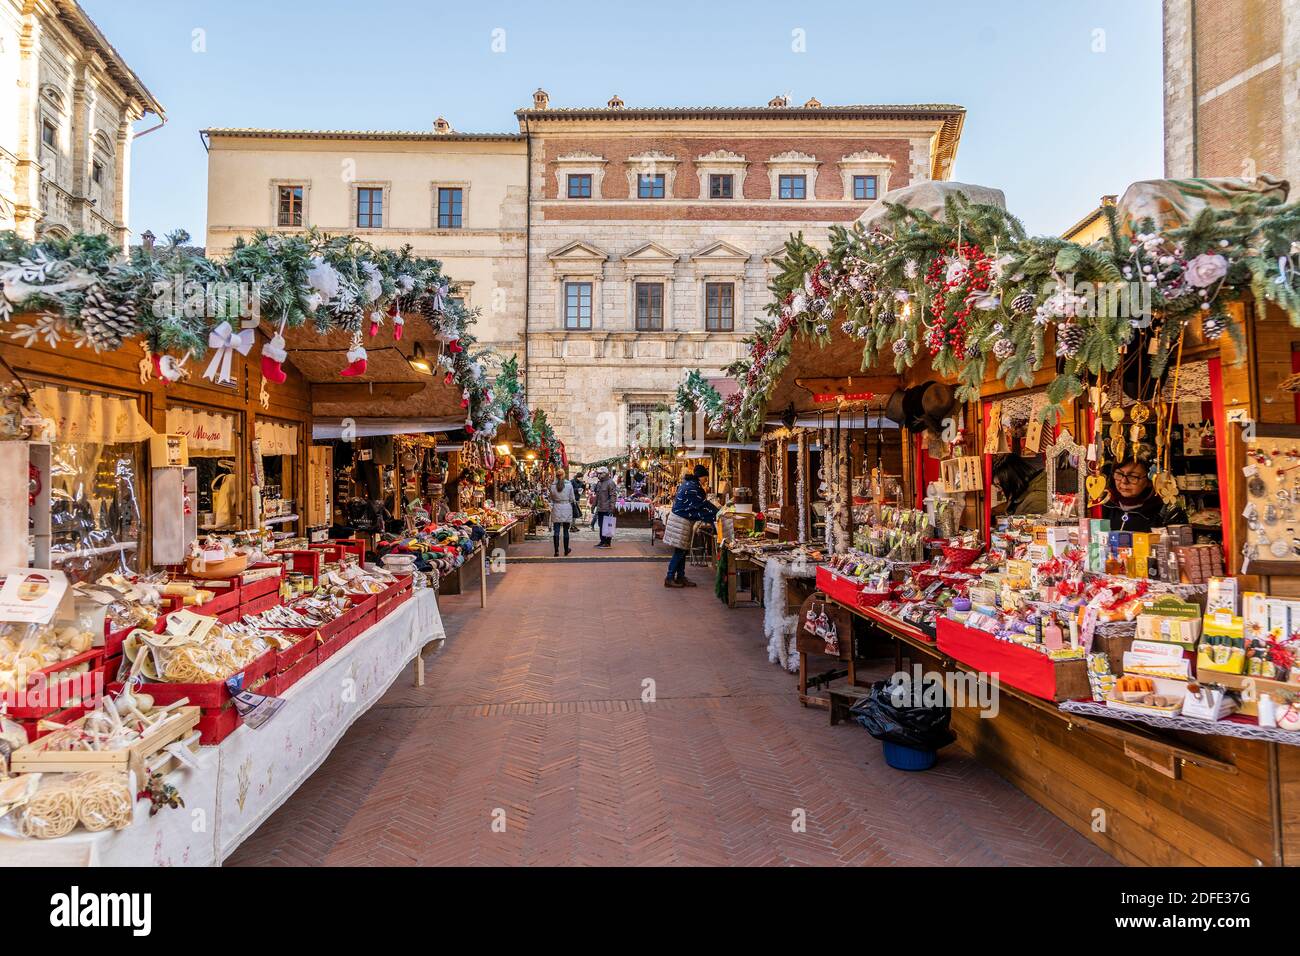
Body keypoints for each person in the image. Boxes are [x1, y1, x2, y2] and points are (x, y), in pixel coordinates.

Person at [662, 464, 719, 588]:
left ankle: (680, 576)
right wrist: (716, 513)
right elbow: (701, 505)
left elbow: (700, 504)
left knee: (682, 549)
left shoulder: (691, 484)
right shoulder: (693, 487)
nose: (706, 480)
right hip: (680, 521)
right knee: (680, 550)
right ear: (701, 476)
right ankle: (670, 577)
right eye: (705, 478)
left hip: (682, 521)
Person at [1103, 459, 1187, 533]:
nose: (1124, 481)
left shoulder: (1166, 512)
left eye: (1132, 476)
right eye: (1119, 474)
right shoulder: (1106, 506)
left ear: (1151, 481)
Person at [547, 473, 577, 557]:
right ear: (564, 475)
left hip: (556, 507)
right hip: (566, 508)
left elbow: (551, 498)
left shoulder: (553, 485)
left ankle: (556, 551)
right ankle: (566, 550)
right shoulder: (569, 484)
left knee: (556, 530)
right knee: (565, 531)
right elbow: (572, 498)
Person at [593, 468, 618, 548]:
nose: (599, 475)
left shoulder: (610, 483)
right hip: (600, 508)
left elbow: (613, 496)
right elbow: (597, 496)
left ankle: (607, 542)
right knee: (601, 525)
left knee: (607, 526)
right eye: (598, 473)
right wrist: (594, 505)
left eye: (600, 473)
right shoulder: (599, 483)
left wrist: (612, 507)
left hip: (607, 508)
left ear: (605, 473)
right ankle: (602, 541)